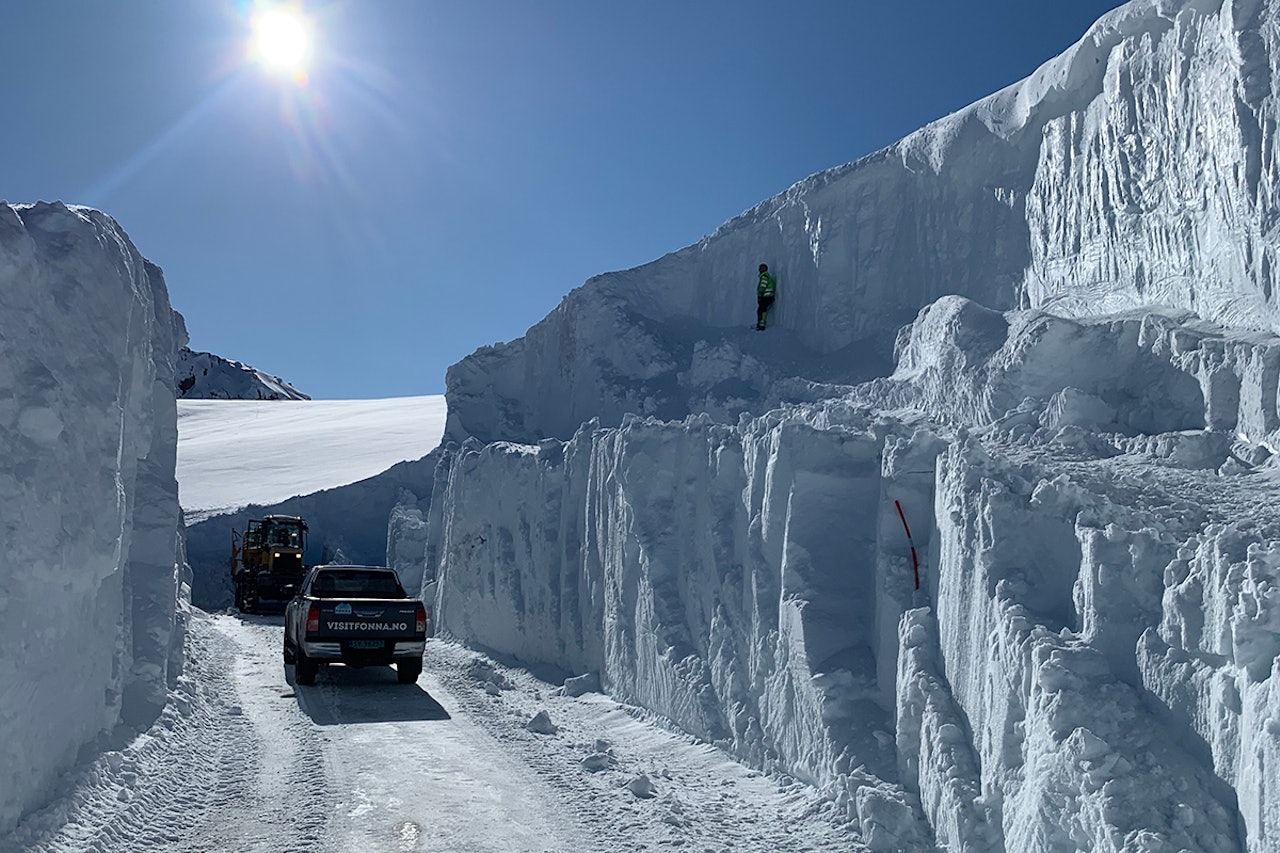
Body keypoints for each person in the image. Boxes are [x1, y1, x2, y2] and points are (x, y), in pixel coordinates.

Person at [756, 263, 776, 330]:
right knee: (761, 309)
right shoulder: (765, 276)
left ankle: (761, 325)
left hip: (766, 296)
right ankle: (760, 324)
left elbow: (762, 286)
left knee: (761, 309)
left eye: (761, 268)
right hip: (768, 296)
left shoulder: (764, 276)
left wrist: (760, 294)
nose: (759, 269)